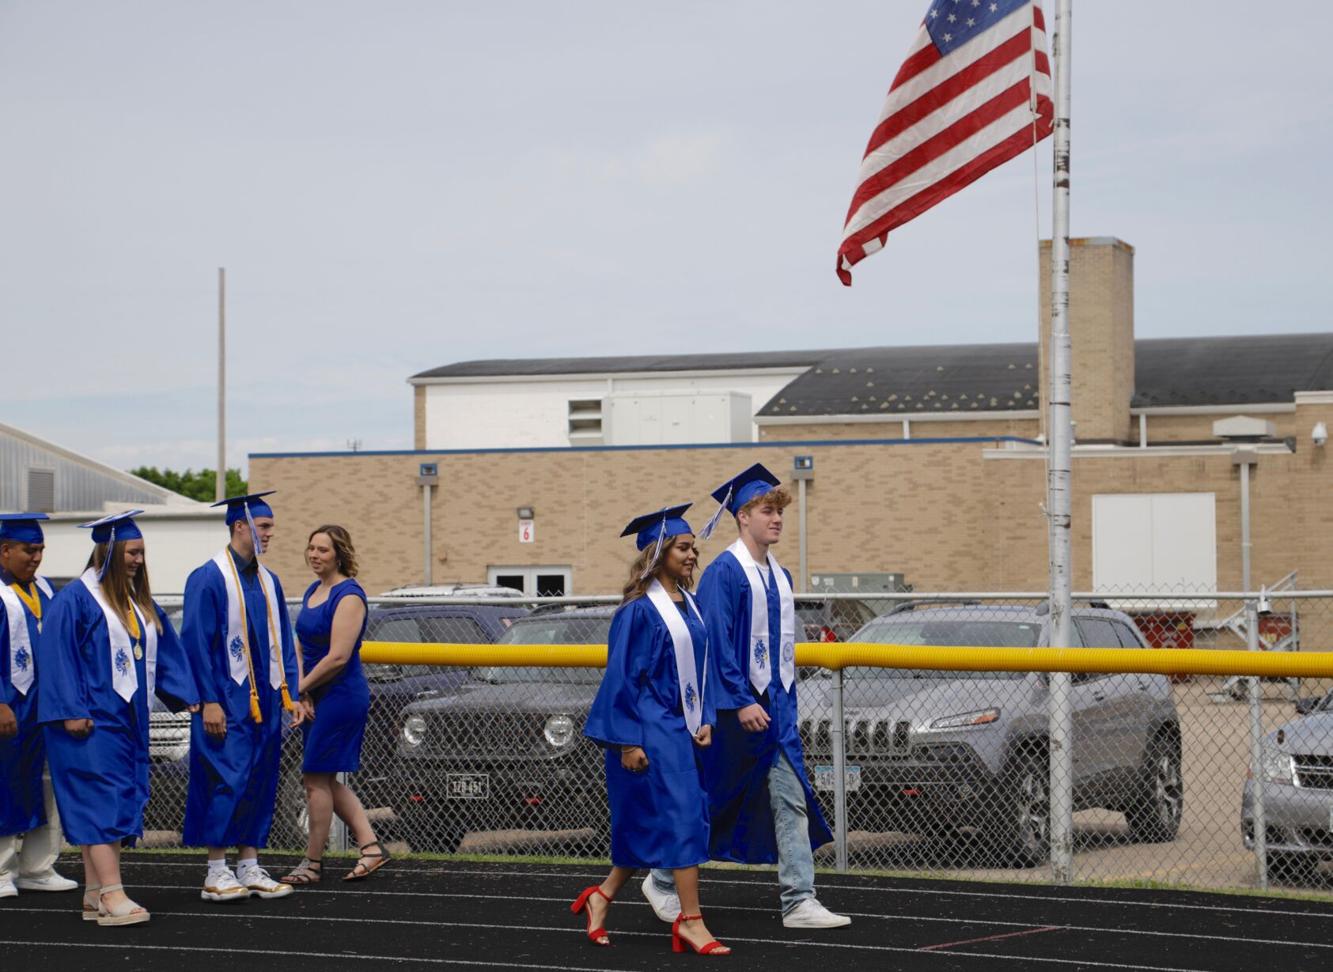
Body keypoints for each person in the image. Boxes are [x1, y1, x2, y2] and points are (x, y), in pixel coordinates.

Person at [644, 464, 850, 930]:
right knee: (714, 798)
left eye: (779, 512)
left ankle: (799, 900)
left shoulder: (781, 575)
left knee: (790, 796)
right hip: (732, 710)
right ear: (742, 516)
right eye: (766, 511)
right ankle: (661, 877)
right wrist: (740, 699)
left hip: (774, 710)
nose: (776, 519)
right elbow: (715, 641)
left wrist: (779, 703)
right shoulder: (725, 572)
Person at [573, 504, 730, 955]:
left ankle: (601, 896)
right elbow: (622, 678)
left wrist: (706, 717)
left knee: (654, 823)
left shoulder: (691, 606)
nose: (691, 555)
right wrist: (626, 740)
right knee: (683, 817)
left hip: (683, 725)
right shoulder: (638, 612)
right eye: (682, 548)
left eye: (693, 548)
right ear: (658, 554)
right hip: (649, 724)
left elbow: (702, 668)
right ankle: (691, 921)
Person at [37, 510, 198, 926]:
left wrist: (187, 695)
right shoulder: (75, 600)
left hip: (124, 721)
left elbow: (163, 648)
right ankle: (113, 893)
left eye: (142, 552)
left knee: (112, 800)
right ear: (108, 552)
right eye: (131, 552)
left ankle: (95, 894)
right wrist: (71, 710)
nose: (138, 560)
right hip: (87, 722)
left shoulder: (133, 603)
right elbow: (56, 658)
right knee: (100, 803)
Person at [181, 491, 304, 903]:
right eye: (263, 527)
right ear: (240, 526)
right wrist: (209, 699)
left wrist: (291, 693)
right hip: (226, 698)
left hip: (265, 698)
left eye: (271, 527)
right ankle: (217, 869)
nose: (270, 534)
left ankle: (249, 865)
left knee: (260, 779)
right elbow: (196, 643)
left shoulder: (269, 580)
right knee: (226, 779)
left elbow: (282, 639)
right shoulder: (208, 577)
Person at [280, 524, 387, 886]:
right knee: (321, 776)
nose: (314, 555)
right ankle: (370, 847)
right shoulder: (314, 590)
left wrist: (299, 689)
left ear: (339, 554)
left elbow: (338, 657)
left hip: (341, 696)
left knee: (314, 778)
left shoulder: (349, 595)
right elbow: (300, 645)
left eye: (322, 550)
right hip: (315, 693)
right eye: (311, 548)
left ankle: (312, 863)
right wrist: (303, 692)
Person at [0, 513, 77, 899]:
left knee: (46, 784)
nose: (37, 557)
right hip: (10, 703)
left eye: (41, 549)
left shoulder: (46, 589)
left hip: (45, 706)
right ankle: (1, 870)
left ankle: (37, 866)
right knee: (4, 782)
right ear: (5, 550)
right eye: (29, 550)